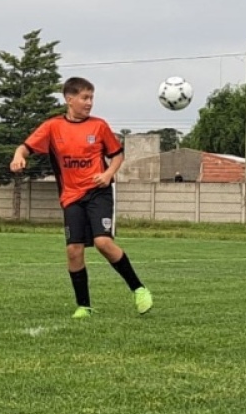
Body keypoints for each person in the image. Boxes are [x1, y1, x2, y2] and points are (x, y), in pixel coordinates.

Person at [10, 77, 152, 319]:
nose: (89, 103)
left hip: (98, 192)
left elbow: (117, 156)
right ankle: (84, 306)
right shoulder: (53, 127)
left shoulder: (99, 126)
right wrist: (17, 157)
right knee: (74, 250)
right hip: (71, 196)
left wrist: (108, 174)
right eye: (85, 98)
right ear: (69, 99)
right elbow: (25, 147)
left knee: (103, 243)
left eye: (91, 98)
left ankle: (139, 289)